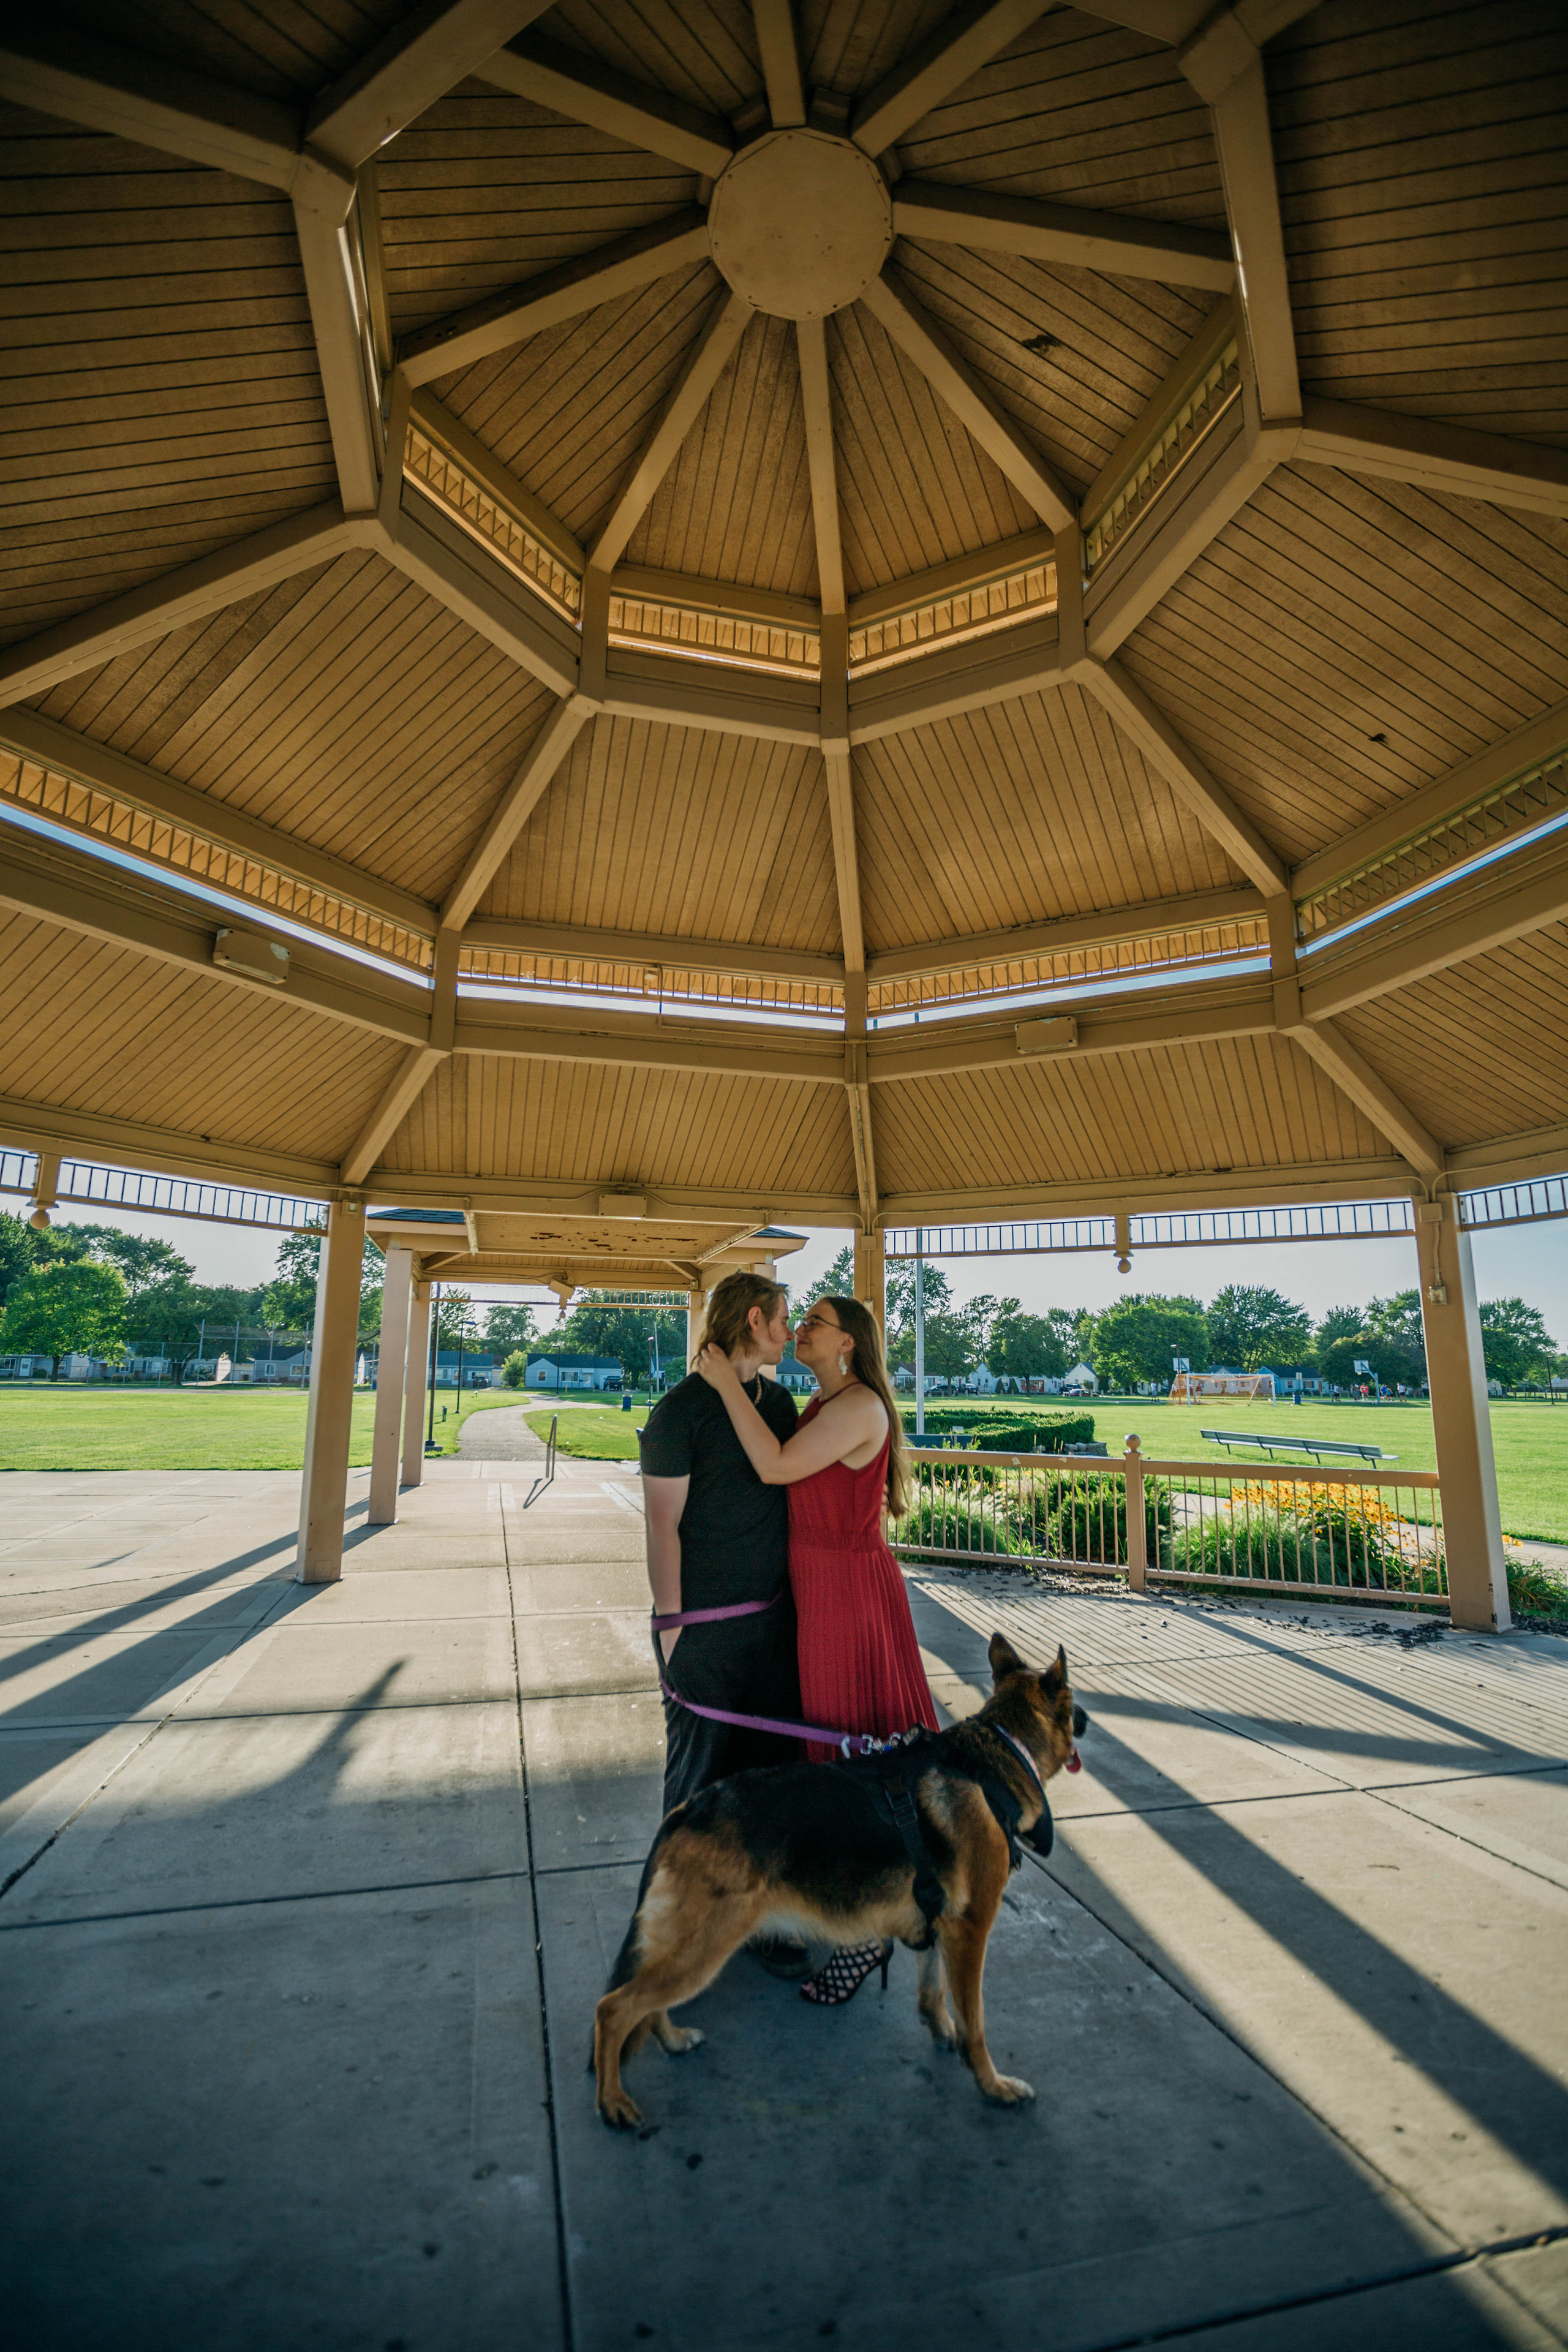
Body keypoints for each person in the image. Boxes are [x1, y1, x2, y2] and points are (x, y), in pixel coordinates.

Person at [696, 1291, 937, 2006]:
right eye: (798, 1322)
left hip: (848, 1599)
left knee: (855, 1758)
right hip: (821, 1592)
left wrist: (723, 1383)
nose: (799, 1329)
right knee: (837, 1759)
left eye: (813, 1324)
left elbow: (775, 1467)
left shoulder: (859, 1408)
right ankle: (872, 1905)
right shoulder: (827, 1403)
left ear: (847, 1343)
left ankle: (873, 1925)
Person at [637, 1268, 810, 1978]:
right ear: (753, 1321)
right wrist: (673, 1624)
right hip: (703, 1629)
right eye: (783, 1319)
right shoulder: (680, 1411)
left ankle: (765, 1921)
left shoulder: (779, 1403)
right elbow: (661, 1525)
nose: (790, 1332)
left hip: (773, 1625)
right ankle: (672, 1933)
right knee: (697, 1785)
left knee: (771, 1781)